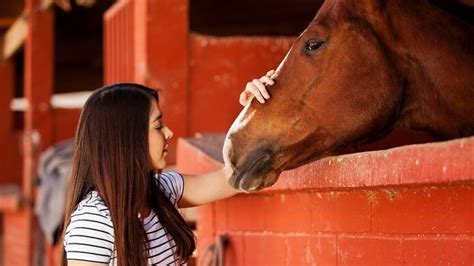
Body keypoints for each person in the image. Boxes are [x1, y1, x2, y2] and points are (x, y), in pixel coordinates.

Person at [61, 70, 275, 265]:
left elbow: (235, 177)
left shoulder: (162, 190)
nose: (169, 133)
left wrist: (256, 110)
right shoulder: (93, 222)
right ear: (127, 140)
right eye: (158, 126)